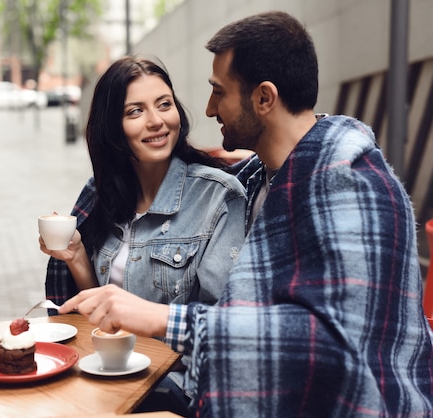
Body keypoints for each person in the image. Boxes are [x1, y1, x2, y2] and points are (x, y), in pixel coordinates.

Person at [57, 11, 433, 417]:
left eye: (219, 92)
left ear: (264, 98)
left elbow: (334, 344)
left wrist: (160, 318)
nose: (207, 108)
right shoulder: (259, 177)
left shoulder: (349, 184)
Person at [41, 56, 247, 413]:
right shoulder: (102, 196)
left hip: (175, 389)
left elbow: (223, 327)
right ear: (113, 128)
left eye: (164, 105)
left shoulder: (218, 196)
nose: (156, 121)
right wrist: (76, 256)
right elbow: (108, 315)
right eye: (135, 111)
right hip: (110, 374)